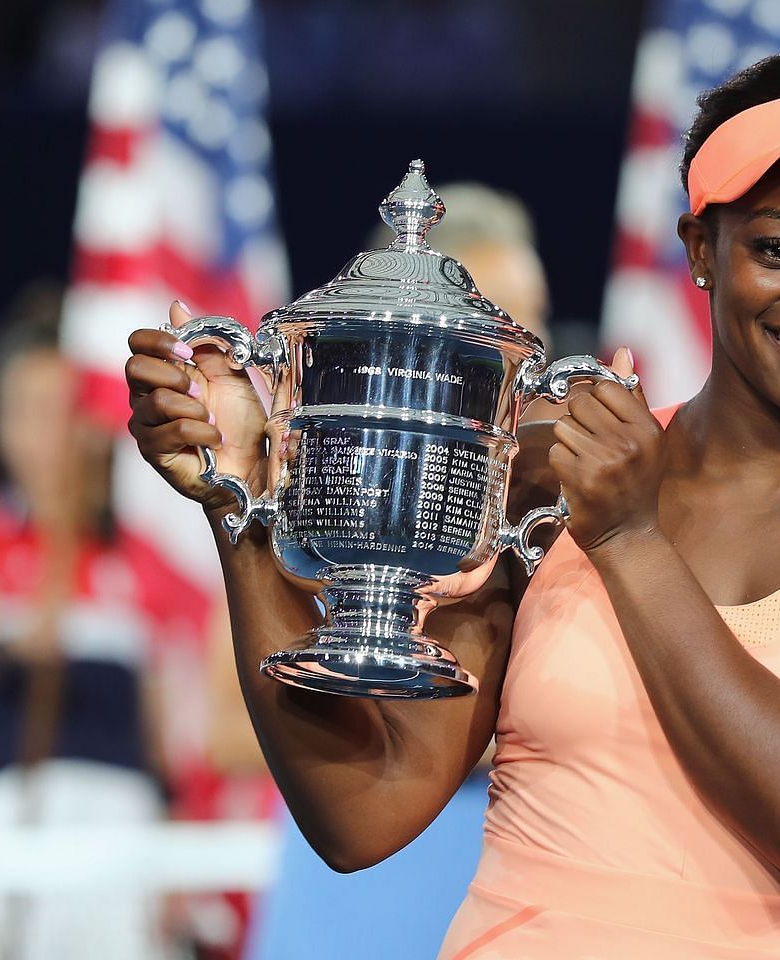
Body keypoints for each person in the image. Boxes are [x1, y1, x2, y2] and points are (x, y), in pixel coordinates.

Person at [125, 47, 780, 958]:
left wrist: (629, 537)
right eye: (779, 247)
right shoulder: (548, 473)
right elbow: (363, 814)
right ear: (702, 247)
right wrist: (237, 507)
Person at [225, 182, 554, 959]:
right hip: (354, 905)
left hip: (515, 895)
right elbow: (218, 732)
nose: (521, 346)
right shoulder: (309, 506)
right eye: (486, 326)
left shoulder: (566, 512)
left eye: (528, 318)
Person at [0, 288, 198, 960]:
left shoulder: (141, 556)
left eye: (63, 412)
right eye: (28, 413)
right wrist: (47, 583)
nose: (48, 434)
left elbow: (168, 732)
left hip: (117, 836)